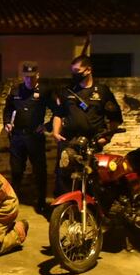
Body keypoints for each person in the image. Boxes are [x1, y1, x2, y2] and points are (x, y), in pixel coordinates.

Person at [52, 55, 123, 196]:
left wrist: (107, 138)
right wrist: (55, 132)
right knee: (64, 176)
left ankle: (88, 212)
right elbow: (58, 114)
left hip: (93, 142)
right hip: (69, 141)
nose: (74, 74)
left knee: (91, 177)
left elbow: (114, 118)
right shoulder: (68, 91)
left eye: (77, 70)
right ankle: (64, 211)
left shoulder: (102, 92)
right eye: (72, 71)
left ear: (88, 70)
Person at [3, 61, 56, 212]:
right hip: (18, 137)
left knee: (40, 170)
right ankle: (15, 200)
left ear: (37, 76)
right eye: (26, 77)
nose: (29, 80)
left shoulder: (45, 92)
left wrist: (47, 126)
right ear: (23, 76)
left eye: (32, 77)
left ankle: (41, 201)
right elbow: (8, 109)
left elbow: (58, 111)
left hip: (35, 137)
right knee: (17, 171)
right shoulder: (16, 91)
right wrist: (7, 122)